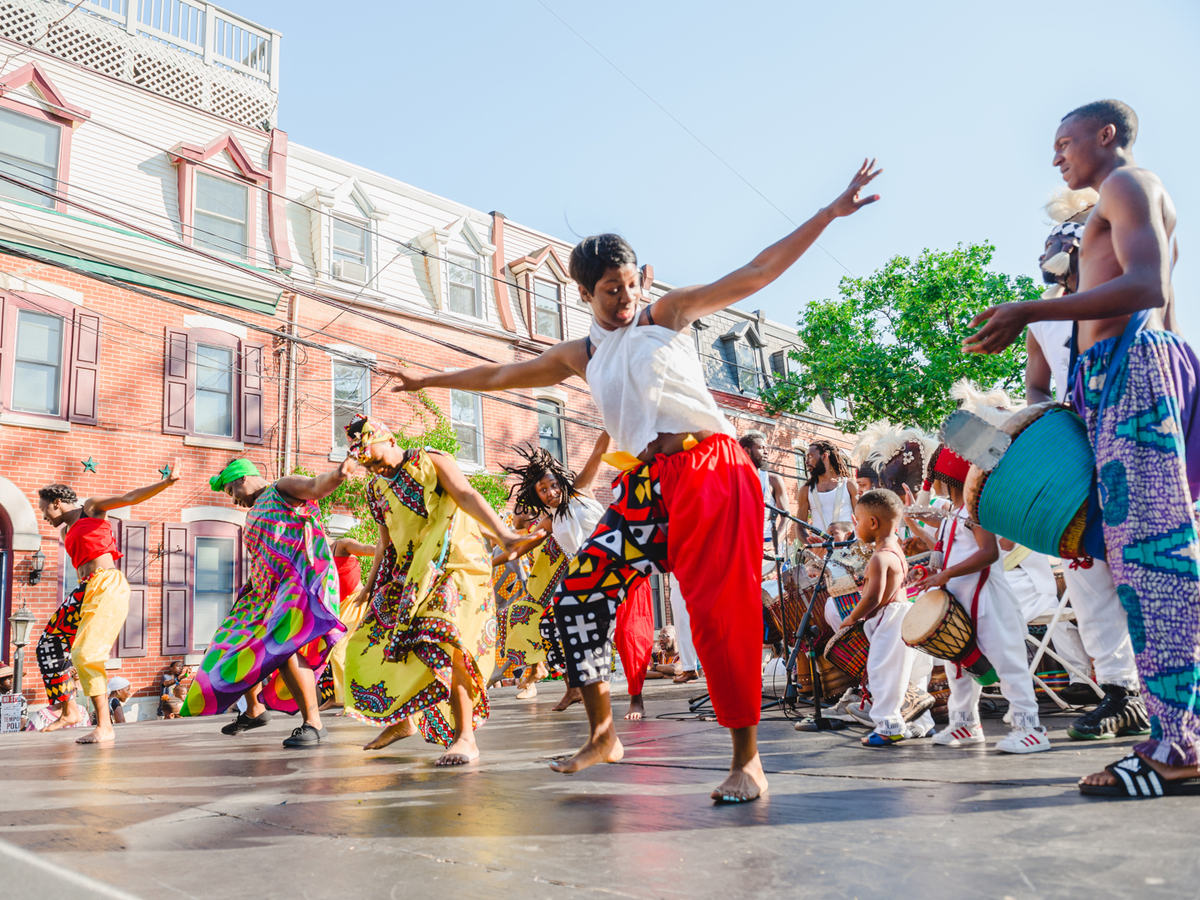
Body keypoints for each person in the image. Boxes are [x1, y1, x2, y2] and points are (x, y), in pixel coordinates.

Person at [381, 159, 882, 802]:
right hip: (649, 484)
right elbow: (503, 376)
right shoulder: (582, 353)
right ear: (585, 295)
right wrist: (429, 381)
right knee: (578, 593)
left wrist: (826, 214)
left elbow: (756, 272)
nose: (623, 300)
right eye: (609, 292)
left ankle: (747, 761)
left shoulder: (665, 316)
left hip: (711, 470)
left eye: (627, 285)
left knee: (715, 613)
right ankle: (603, 733)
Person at [966, 100, 1200, 796]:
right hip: (1113, 382)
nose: (1055, 155)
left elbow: (1149, 288)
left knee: (1155, 563)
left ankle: (1178, 747)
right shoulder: (1111, 201)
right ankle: (1175, 736)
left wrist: (1028, 311)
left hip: (1130, 373)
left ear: (1105, 135)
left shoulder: (1131, 184)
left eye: (1064, 141)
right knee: (1133, 564)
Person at [1023, 188, 1147, 740]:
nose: (1048, 252)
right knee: (1090, 577)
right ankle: (1123, 695)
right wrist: (1048, 438)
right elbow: (1035, 389)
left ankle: (1174, 692)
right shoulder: (1041, 318)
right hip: (1080, 458)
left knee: (1149, 571)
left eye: (1059, 241)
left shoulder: (1122, 300)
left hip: (1134, 446)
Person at [341, 416, 535, 765]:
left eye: (369, 452)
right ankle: (402, 721)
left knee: (449, 639)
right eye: (362, 458)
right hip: (410, 573)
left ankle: (465, 738)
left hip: (455, 564)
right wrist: (370, 587)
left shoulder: (428, 460)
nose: (368, 463)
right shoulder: (375, 490)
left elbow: (465, 494)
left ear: (387, 439)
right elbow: (386, 543)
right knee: (380, 643)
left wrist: (505, 536)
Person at [181, 458, 351, 749]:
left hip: (297, 579)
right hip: (264, 589)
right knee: (232, 642)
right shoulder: (257, 508)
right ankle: (255, 709)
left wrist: (338, 474)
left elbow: (314, 487)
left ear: (242, 479)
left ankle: (314, 723)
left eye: (231, 492)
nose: (234, 500)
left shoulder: (280, 488)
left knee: (282, 648)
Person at [499, 433, 656, 720]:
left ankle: (637, 699)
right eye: (542, 490)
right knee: (562, 628)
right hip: (590, 581)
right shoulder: (550, 520)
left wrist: (610, 420)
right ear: (537, 495)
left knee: (629, 634)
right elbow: (516, 548)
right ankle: (577, 690)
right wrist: (484, 562)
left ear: (561, 482)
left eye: (552, 485)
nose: (549, 492)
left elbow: (598, 450)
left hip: (623, 565)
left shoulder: (581, 491)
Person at [909, 447, 1051, 754]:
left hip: (989, 601)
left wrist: (945, 576)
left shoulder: (976, 511)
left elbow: (990, 553)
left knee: (1007, 662)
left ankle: (1031, 729)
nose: (932, 485)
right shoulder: (950, 515)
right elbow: (946, 554)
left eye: (935, 477)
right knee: (959, 665)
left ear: (949, 477)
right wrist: (927, 571)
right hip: (962, 601)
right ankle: (965, 724)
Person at [35, 464, 181, 744]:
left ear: (57, 502)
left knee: (85, 654)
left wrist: (165, 484)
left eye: (45, 510)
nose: (44, 517)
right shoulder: (66, 533)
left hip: (106, 585)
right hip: (84, 590)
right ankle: (69, 711)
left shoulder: (90, 509)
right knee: (48, 645)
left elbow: (129, 498)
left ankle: (105, 726)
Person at [824, 489, 932, 747]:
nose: (856, 527)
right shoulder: (895, 550)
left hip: (890, 620)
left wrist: (851, 617)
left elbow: (873, 598)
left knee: (883, 674)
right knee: (902, 674)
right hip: (901, 616)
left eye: (858, 521)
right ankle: (912, 724)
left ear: (873, 522)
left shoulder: (879, 557)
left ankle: (889, 726)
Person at [318, 537, 377, 710]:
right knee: (324, 650)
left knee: (337, 649)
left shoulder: (342, 544)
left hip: (353, 602)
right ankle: (335, 697)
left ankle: (349, 700)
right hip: (334, 607)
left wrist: (390, 545)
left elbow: (368, 549)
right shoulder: (318, 552)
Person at [796, 441, 858, 532]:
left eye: (810, 456)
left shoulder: (849, 485)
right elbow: (800, 527)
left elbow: (862, 519)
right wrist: (811, 544)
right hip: (821, 545)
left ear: (825, 456)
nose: (806, 461)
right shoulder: (806, 490)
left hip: (847, 544)